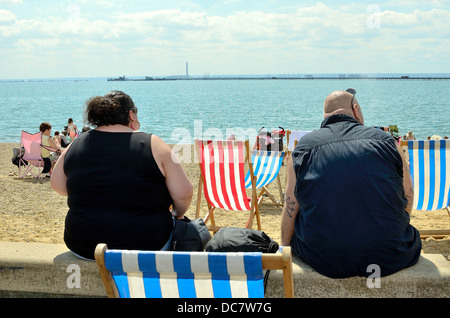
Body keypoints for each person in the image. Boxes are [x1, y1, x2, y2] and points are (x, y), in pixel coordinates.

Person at [281, 89, 421, 279]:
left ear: (325, 116)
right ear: (355, 109)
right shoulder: (388, 142)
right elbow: (408, 194)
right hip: (391, 254)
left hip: (324, 259)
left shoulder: (303, 148)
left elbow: (290, 206)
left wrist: (284, 247)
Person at [50, 91, 194, 260]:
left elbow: (58, 186)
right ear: (130, 114)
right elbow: (184, 193)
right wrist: (177, 213)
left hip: (82, 245)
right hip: (147, 245)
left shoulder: (78, 143)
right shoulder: (153, 144)